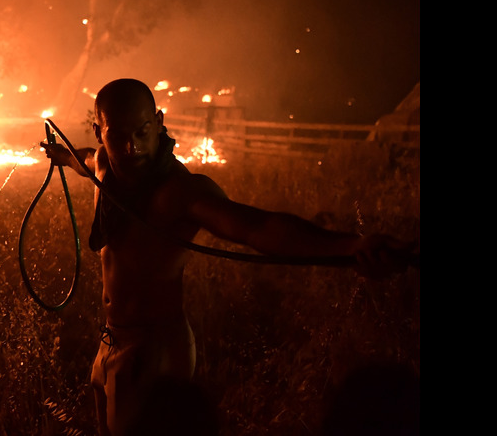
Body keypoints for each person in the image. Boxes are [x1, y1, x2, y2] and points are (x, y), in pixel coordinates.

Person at [40, 78, 414, 436]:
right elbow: (85, 160)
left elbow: (257, 227)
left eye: (141, 133)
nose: (131, 149)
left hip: (154, 350)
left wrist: (350, 246)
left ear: (158, 124)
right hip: (111, 343)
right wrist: (61, 155)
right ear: (99, 132)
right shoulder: (105, 164)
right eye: (117, 136)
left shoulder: (182, 193)